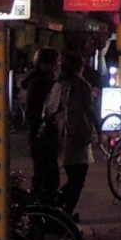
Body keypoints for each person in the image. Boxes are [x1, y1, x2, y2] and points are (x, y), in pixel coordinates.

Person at [46, 51, 97, 220]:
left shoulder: (58, 85)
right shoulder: (81, 85)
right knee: (78, 176)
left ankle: (60, 210)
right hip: (77, 133)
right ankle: (64, 213)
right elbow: (89, 110)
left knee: (73, 175)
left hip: (60, 134)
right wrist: (98, 129)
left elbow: (49, 110)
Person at [22, 47, 59, 199]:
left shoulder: (36, 80)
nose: (56, 67)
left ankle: (39, 205)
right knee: (46, 177)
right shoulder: (41, 82)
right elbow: (38, 111)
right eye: (54, 63)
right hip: (42, 134)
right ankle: (38, 207)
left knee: (43, 174)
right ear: (44, 64)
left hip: (38, 133)